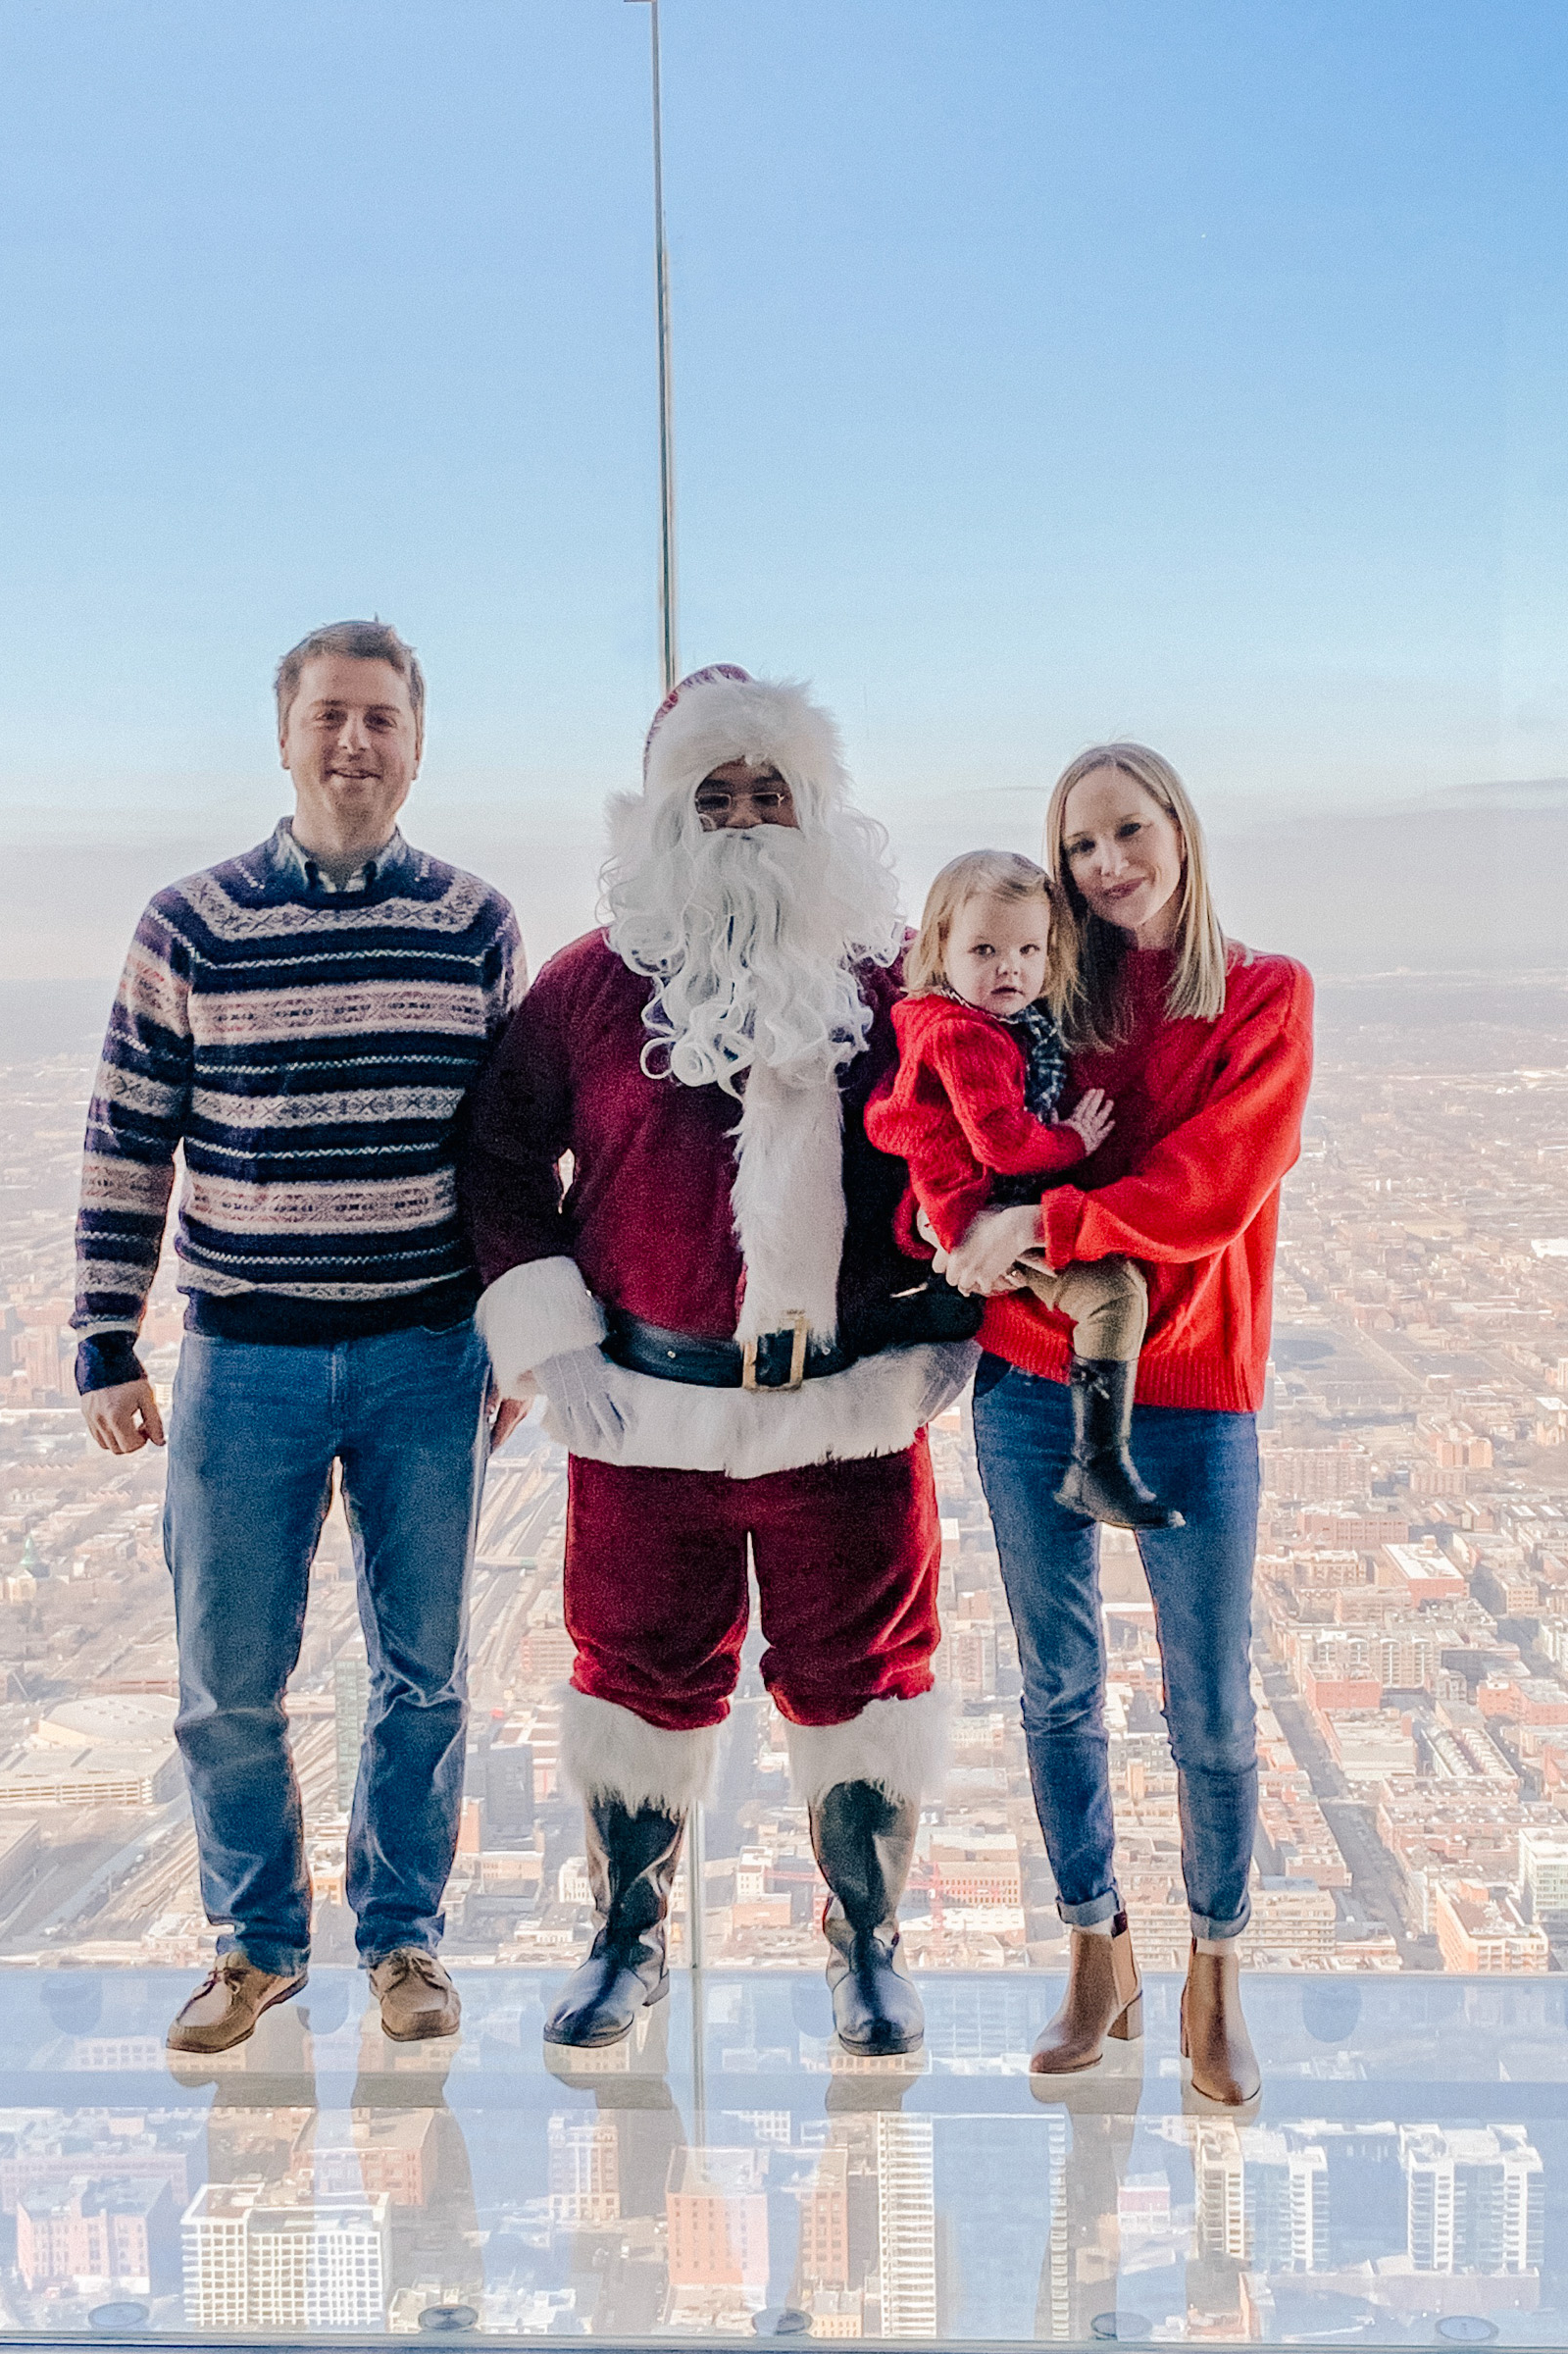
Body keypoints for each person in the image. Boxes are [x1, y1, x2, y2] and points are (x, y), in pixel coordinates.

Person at [465, 665, 976, 2060]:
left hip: (849, 1417)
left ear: (817, 811)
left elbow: (963, 1155)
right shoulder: (583, 988)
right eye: (717, 794)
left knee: (865, 1682)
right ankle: (626, 1941)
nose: (745, 818)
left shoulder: (893, 988)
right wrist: (547, 1336)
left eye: (771, 792)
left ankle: (865, 1940)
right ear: (665, 819)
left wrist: (947, 1321)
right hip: (644, 1418)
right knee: (633, 1678)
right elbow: (502, 1160)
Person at [72, 619, 525, 2055]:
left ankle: (403, 1947)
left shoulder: (475, 924)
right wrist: (103, 1331)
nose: (354, 743)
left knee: (425, 1673)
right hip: (243, 1359)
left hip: (428, 1350)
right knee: (226, 1683)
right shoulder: (189, 924)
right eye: (329, 715)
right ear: (283, 736)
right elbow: (128, 1134)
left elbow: (509, 1153)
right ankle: (254, 1947)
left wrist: (521, 1334)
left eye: (380, 719)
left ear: (416, 743)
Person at [947, 743, 1311, 2108]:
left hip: (1195, 1387)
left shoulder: (1268, 996)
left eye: (1126, 832)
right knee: (1056, 1687)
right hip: (1029, 1379)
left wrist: (1033, 1224)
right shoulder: (1044, 998)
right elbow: (945, 1108)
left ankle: (1218, 1973)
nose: (1106, 865)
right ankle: (1098, 1950)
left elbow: (1208, 1190)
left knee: (1208, 1700)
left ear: (1179, 829)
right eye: (1079, 844)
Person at [864, 847, 1179, 1530]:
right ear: (940, 947)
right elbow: (1003, 1143)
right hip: (977, 1213)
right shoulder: (965, 1037)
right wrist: (1073, 1141)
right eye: (985, 948)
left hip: (962, 1206)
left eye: (1028, 949)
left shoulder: (966, 1022)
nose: (1011, 967)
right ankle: (1099, 1465)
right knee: (1118, 1296)